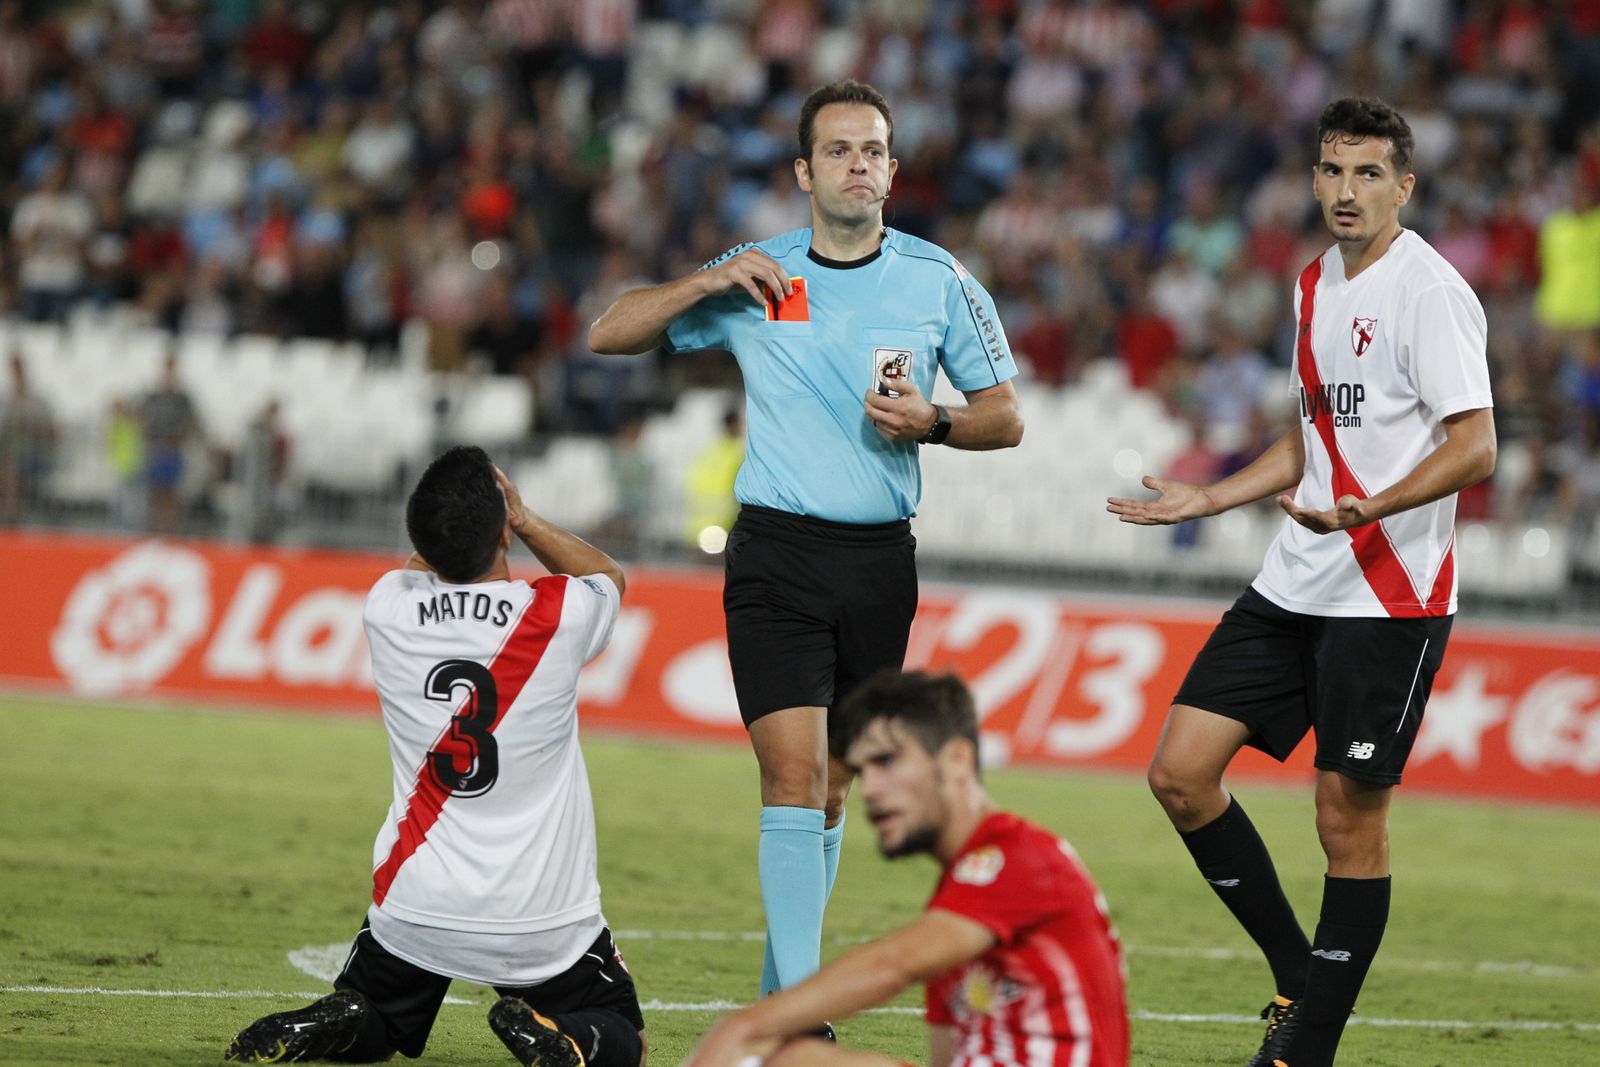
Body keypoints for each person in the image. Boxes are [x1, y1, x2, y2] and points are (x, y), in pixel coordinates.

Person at [588, 79, 1024, 1002]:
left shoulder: (939, 278)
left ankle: (777, 995)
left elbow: (1005, 418)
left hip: (878, 564)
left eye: (872, 151)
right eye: (838, 150)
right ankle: (799, 1014)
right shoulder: (759, 272)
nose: (857, 164)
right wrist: (709, 278)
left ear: (893, 171)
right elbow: (609, 332)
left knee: (831, 791)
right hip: (776, 556)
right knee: (792, 774)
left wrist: (935, 422)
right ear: (803, 170)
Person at [1107, 98, 1495, 1067]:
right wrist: (1209, 497)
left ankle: (1303, 1046)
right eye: (1331, 170)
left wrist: (1371, 508)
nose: (1345, 190)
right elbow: (1313, 433)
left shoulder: (1430, 292)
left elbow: (1476, 444)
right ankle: (1296, 970)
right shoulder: (1313, 281)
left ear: (1404, 185)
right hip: (1295, 576)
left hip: (1387, 590)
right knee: (1179, 772)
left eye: (1368, 173)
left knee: (1343, 815)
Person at [225, 446, 647, 1067]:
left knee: (375, 1022)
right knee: (625, 1040)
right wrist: (525, 520)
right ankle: (567, 1039)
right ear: (502, 528)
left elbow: (428, 555)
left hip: (416, 902)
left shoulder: (387, 607)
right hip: (540, 917)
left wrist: (468, 524)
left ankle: (346, 1023)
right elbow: (611, 577)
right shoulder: (556, 613)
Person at [684, 670, 1129, 1067]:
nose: (872, 790)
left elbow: (892, 963)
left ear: (956, 759)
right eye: (863, 769)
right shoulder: (959, 909)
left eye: (888, 762)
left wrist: (744, 1027)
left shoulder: (1019, 857)